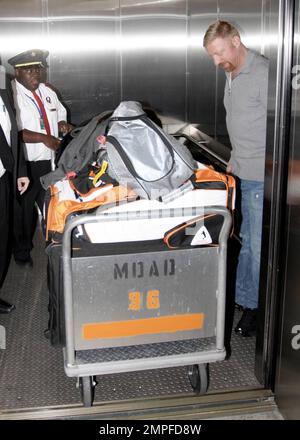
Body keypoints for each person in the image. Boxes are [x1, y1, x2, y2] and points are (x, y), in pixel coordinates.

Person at [203, 21, 268, 336]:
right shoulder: (232, 71)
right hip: (240, 171)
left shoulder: (264, 73)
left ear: (236, 41)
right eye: (212, 56)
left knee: (255, 246)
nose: (216, 62)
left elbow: (286, 127)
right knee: (242, 241)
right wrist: (231, 163)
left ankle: (255, 309)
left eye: (218, 53)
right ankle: (245, 298)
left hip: (260, 175)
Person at [8, 49, 73, 267]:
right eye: (29, 70)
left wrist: (63, 125)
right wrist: (43, 138)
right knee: (24, 213)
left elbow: (60, 114)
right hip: (26, 164)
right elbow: (11, 131)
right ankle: (22, 253)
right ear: (17, 72)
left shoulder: (48, 91)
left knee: (51, 206)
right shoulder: (11, 95)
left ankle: (53, 245)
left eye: (38, 68)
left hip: (50, 161)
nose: (35, 73)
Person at [0, 74, 29, 313]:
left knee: (2, 238)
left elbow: (13, 133)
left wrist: (20, 170)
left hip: (3, 176)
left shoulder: (4, 93)